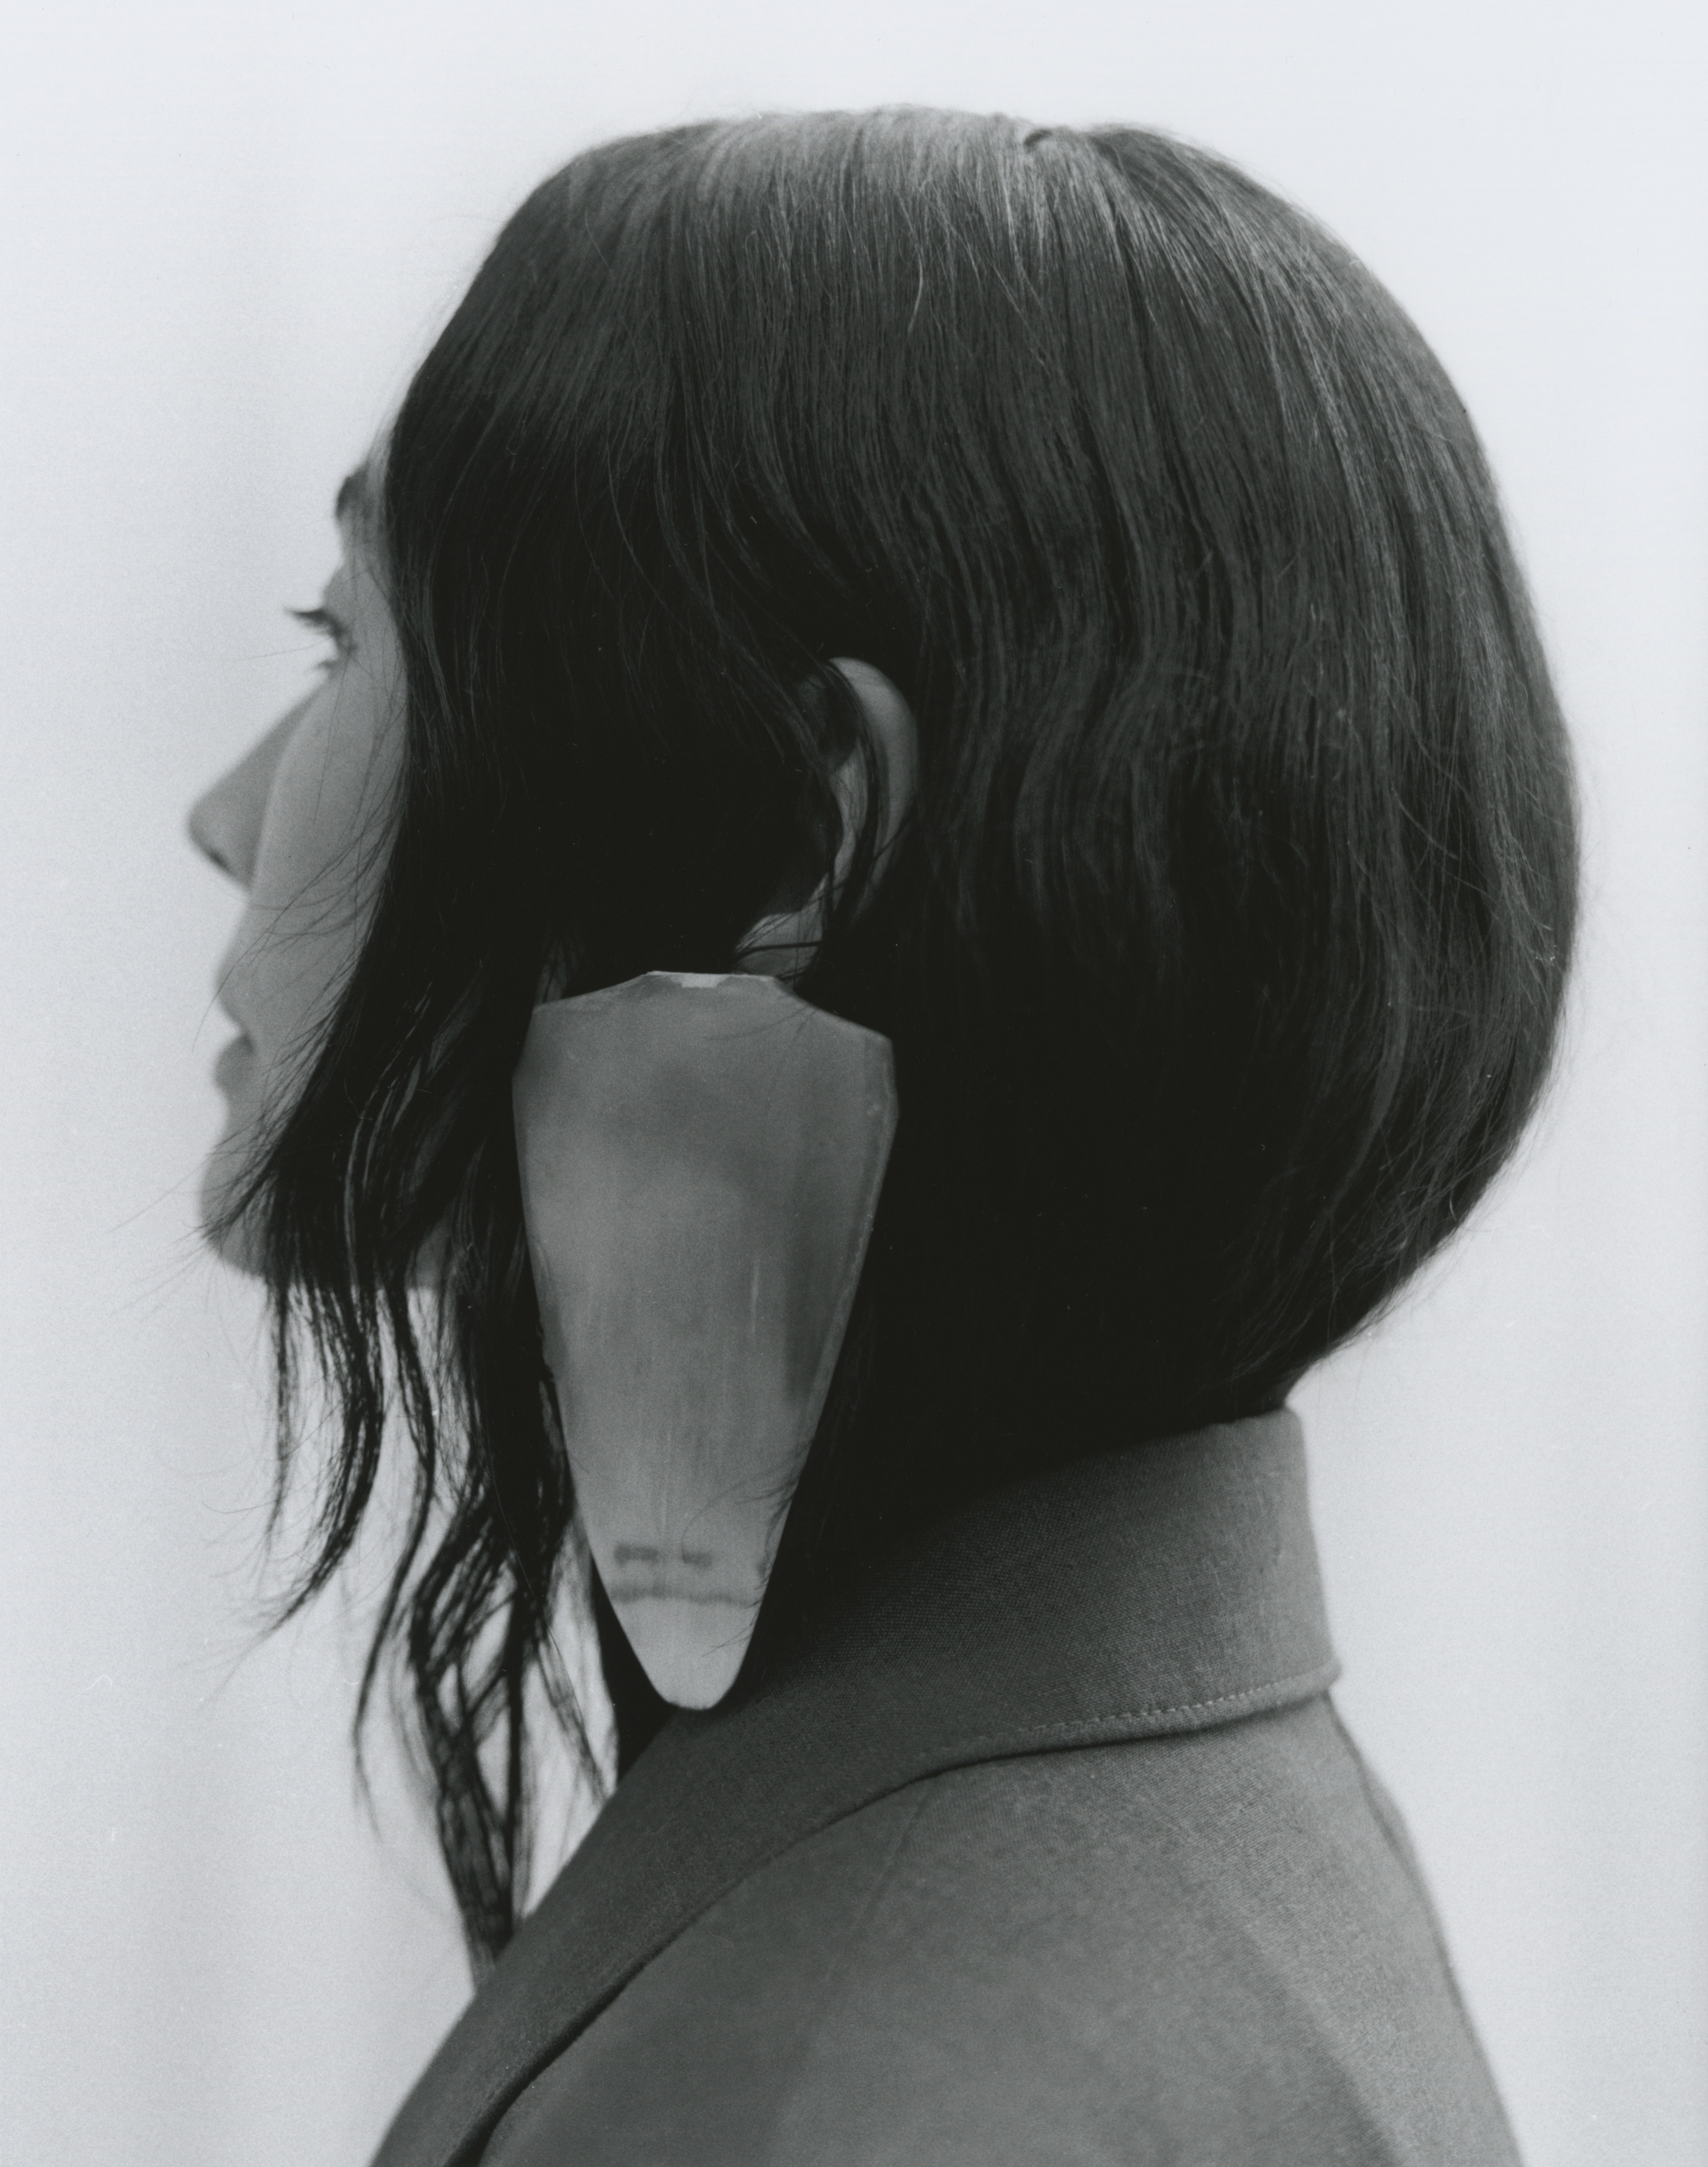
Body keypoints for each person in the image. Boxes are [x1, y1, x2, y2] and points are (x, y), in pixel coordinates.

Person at [188, 109, 1577, 2166]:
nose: (227, 813)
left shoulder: (835, 2093)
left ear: (789, 832)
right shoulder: (1181, 1824)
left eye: (347, 641)